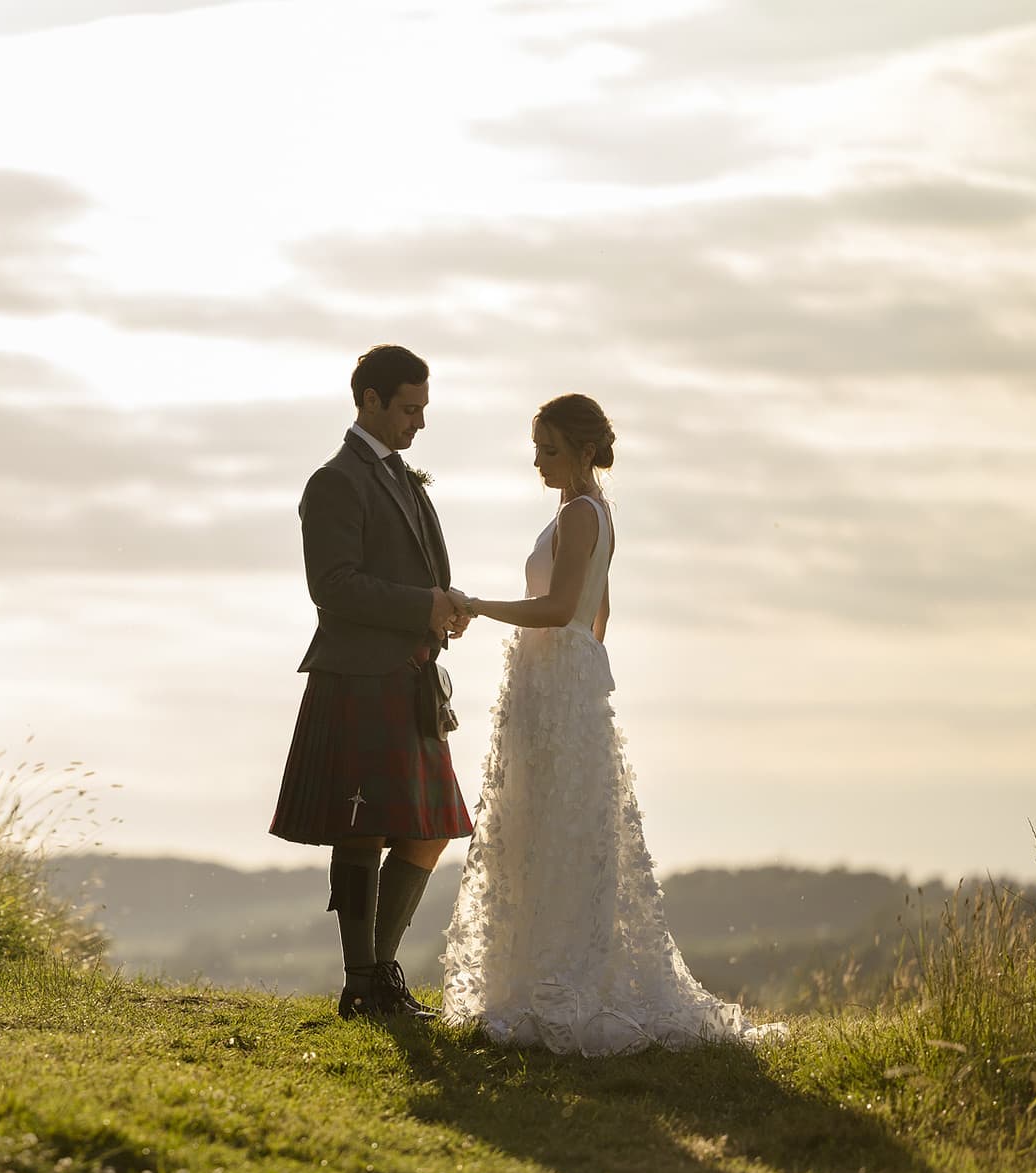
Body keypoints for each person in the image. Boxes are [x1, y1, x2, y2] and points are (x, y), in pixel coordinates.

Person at [440, 393, 784, 1053]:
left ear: (584, 451)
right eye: (536, 449)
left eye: (550, 450)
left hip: (556, 683)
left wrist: (478, 605)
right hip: (559, 684)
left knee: (557, 831)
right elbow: (599, 617)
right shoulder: (592, 513)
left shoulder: (579, 514)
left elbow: (565, 608)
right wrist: (577, 669)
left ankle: (559, 982)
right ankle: (544, 976)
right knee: (546, 829)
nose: (539, 463)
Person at [270, 344, 475, 1021]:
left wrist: (442, 605)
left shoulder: (401, 478)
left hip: (410, 678)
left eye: (423, 409)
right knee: (361, 831)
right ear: (370, 402)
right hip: (358, 678)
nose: (418, 423)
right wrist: (423, 605)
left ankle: (376, 976)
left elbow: (414, 576)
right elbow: (331, 587)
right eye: (408, 409)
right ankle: (363, 982)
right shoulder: (335, 480)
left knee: (429, 831)